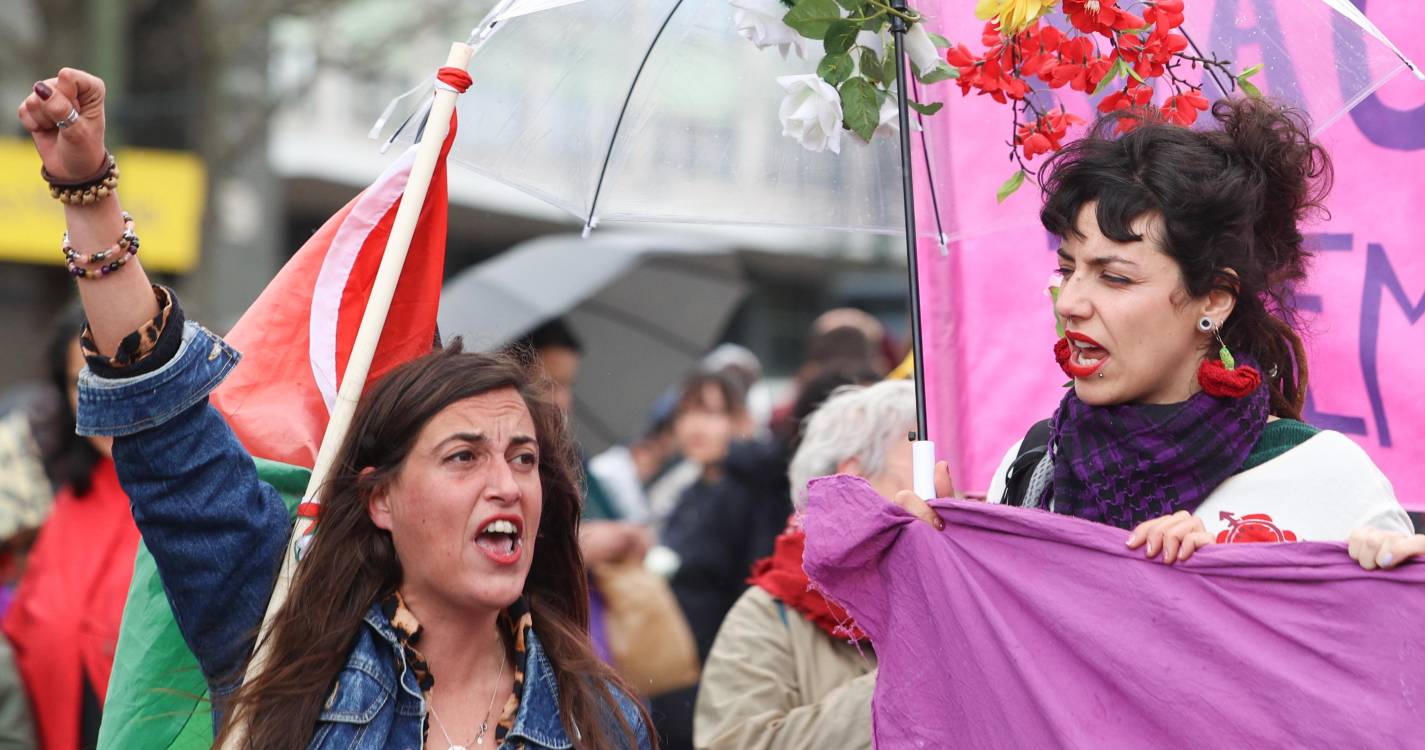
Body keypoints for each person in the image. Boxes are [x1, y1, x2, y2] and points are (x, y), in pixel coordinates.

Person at [19, 68, 652, 749]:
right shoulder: (283, 631)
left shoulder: (599, 717)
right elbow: (169, 432)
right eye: (463, 456)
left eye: (523, 458)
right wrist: (88, 197)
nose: (505, 483)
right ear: (380, 498)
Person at [893, 98, 1413, 566]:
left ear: (1213, 299)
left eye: (1114, 277)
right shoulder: (1031, 466)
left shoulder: (1325, 480)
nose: (1071, 302)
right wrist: (949, 565)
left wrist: (1224, 594)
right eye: (1068, 269)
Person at [694, 380, 917, 750]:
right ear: (853, 480)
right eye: (921, 463)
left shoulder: (949, 596)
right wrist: (907, 676)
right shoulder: (765, 618)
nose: (945, 484)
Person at [3, 307, 136, 750]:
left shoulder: (203, 498)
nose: (100, 397)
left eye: (116, 373)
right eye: (81, 380)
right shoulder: (64, 500)